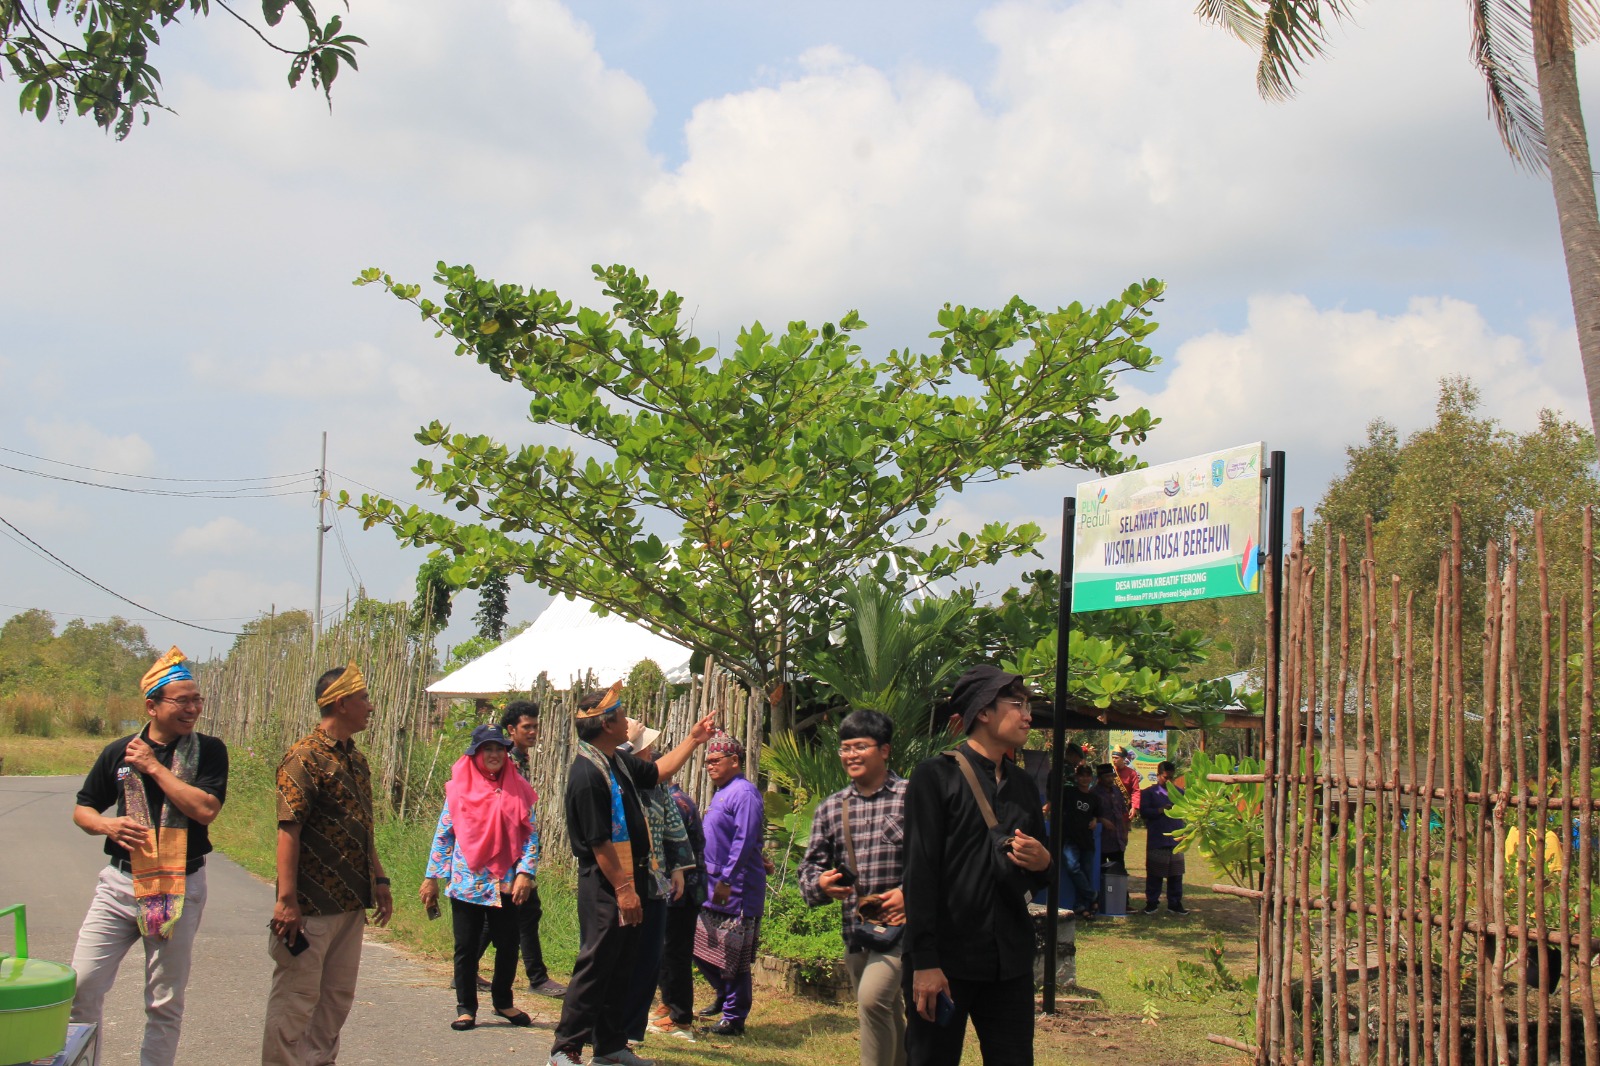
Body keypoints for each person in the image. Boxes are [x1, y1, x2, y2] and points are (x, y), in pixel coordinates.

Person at [68, 647, 228, 1066]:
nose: (193, 708)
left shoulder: (209, 751)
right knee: (82, 986)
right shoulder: (119, 752)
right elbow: (83, 809)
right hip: (119, 884)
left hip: (179, 885)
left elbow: (205, 810)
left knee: (164, 1002)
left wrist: (155, 767)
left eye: (197, 699)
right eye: (182, 700)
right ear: (152, 706)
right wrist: (108, 825)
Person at [546, 685, 715, 1066]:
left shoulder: (616, 763)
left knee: (626, 962)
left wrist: (693, 739)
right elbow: (600, 842)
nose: (628, 723)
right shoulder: (587, 773)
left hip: (633, 875)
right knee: (597, 962)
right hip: (607, 881)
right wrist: (624, 889)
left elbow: (656, 773)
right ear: (606, 724)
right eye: (622, 716)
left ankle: (610, 1046)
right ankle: (566, 1049)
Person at [903, 665, 1053, 1066]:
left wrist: (1043, 861)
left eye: (1029, 705)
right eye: (1017, 704)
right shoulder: (935, 777)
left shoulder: (1023, 785)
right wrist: (926, 963)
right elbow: (919, 874)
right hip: (946, 963)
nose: (1027, 715)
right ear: (983, 712)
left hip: (1010, 965)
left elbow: (1041, 876)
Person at [262, 663, 395, 1066]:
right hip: (311, 905)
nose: (370, 707)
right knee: (296, 999)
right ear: (341, 703)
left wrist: (380, 878)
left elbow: (362, 825)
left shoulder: (356, 759)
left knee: (335, 999)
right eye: (364, 699)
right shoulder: (304, 758)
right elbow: (289, 828)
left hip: (350, 901)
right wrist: (287, 901)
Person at [799, 709, 908, 1066]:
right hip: (858, 929)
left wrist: (909, 892)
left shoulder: (911, 798)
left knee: (873, 999)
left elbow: (935, 860)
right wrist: (821, 883)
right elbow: (810, 867)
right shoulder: (832, 807)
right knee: (886, 1009)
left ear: (885, 750)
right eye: (845, 748)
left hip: (905, 926)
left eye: (860, 747)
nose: (851, 756)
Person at [420, 724, 540, 1030]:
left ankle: (503, 1002)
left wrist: (526, 872)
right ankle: (466, 1007)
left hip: (507, 881)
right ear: (475, 754)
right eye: (487, 748)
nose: (495, 754)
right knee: (466, 947)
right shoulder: (459, 789)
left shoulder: (517, 787)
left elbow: (529, 835)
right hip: (466, 882)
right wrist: (432, 877)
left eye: (499, 748)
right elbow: (444, 836)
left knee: (509, 944)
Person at [620, 720, 696, 1047]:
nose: (651, 751)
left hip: (655, 879)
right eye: (645, 746)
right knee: (621, 953)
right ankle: (611, 1024)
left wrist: (678, 866)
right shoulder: (617, 780)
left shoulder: (658, 784)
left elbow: (671, 823)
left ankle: (632, 1029)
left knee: (650, 956)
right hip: (621, 878)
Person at [693, 729, 768, 1037]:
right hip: (713, 884)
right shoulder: (723, 791)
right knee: (698, 946)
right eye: (706, 761)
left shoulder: (744, 793)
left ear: (734, 760)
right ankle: (724, 995)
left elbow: (745, 838)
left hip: (735, 888)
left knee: (732, 957)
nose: (710, 766)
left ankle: (735, 1017)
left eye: (715, 760)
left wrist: (727, 878)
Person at [498, 699, 566, 997]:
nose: (534, 732)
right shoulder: (505, 760)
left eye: (536, 727)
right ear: (511, 729)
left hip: (515, 848)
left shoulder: (519, 758)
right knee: (526, 909)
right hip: (509, 849)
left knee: (508, 908)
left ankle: (468, 967)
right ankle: (537, 977)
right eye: (527, 727)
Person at [648, 769, 706, 1040]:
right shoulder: (669, 799)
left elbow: (671, 850)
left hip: (683, 891)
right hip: (673, 889)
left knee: (676, 953)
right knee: (665, 949)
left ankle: (681, 1018)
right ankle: (668, 1004)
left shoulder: (676, 804)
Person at [1140, 760, 1188, 915]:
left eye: (1171, 778)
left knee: (1176, 873)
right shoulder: (1149, 793)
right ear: (1158, 775)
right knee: (1155, 872)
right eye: (1165, 777)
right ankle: (1152, 902)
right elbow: (1144, 812)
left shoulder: (1180, 793)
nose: (1168, 781)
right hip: (1157, 838)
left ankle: (1174, 903)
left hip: (1175, 838)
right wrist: (1160, 810)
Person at [1061, 763, 1105, 917]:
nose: (1085, 779)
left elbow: (1097, 815)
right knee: (1072, 867)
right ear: (1077, 777)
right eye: (1082, 775)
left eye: (1087, 775)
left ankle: (1082, 907)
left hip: (1087, 840)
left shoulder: (1094, 798)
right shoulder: (1069, 792)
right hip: (1070, 838)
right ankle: (1093, 896)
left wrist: (1094, 819)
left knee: (1085, 874)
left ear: (1091, 778)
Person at [1092, 762, 1130, 874]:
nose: (1110, 779)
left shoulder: (1117, 791)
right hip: (1101, 839)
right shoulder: (1094, 793)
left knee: (1119, 870)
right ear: (1099, 778)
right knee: (1101, 872)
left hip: (1117, 839)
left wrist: (1125, 832)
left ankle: (1121, 892)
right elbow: (1090, 815)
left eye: (1111, 776)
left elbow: (1122, 813)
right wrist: (1101, 820)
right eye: (1106, 777)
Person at [1111, 747, 1142, 816]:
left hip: (1124, 809)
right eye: (1113, 757)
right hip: (1110, 808)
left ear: (1123, 758)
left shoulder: (1132, 773)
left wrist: (1134, 807)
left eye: (1116, 758)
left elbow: (1135, 791)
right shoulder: (1109, 771)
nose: (1114, 760)